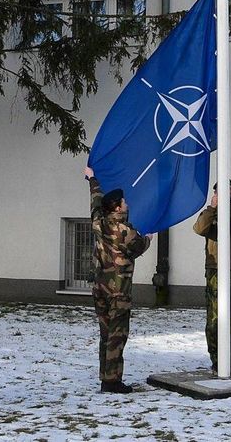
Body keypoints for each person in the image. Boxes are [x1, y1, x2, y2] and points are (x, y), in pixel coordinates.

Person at [84, 165, 152, 394]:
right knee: (117, 335)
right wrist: (149, 237)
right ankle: (112, 381)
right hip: (119, 292)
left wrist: (92, 179)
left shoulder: (98, 222)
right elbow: (139, 246)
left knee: (105, 333)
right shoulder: (125, 231)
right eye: (124, 202)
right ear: (117, 207)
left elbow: (96, 201)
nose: (127, 204)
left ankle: (105, 375)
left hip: (99, 289)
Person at [193, 181, 231, 373]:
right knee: (215, 317)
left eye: (228, 189)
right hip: (216, 271)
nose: (224, 192)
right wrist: (213, 209)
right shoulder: (209, 214)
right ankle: (217, 357)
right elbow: (199, 229)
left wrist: (226, 210)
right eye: (220, 190)